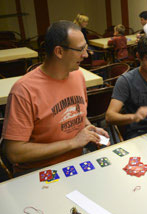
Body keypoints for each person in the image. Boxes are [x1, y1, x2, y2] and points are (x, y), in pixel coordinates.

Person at [2, 20, 109, 175]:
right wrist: (72, 143)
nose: (86, 55)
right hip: (39, 170)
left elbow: (77, 113)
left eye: (85, 48)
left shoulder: (78, 75)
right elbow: (14, 153)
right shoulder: (24, 90)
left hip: (76, 161)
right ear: (59, 52)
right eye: (80, 50)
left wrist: (88, 128)